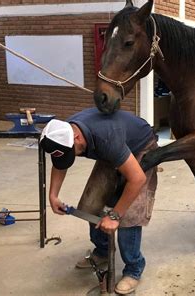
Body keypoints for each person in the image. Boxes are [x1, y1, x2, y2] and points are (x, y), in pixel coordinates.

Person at [39, 107, 158, 294]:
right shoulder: (64, 132)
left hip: (140, 146)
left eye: (74, 152)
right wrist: (53, 195)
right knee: (90, 205)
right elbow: (60, 164)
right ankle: (102, 252)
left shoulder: (106, 138)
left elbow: (137, 179)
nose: (75, 156)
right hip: (113, 150)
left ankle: (134, 269)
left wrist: (115, 215)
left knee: (129, 216)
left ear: (77, 138)